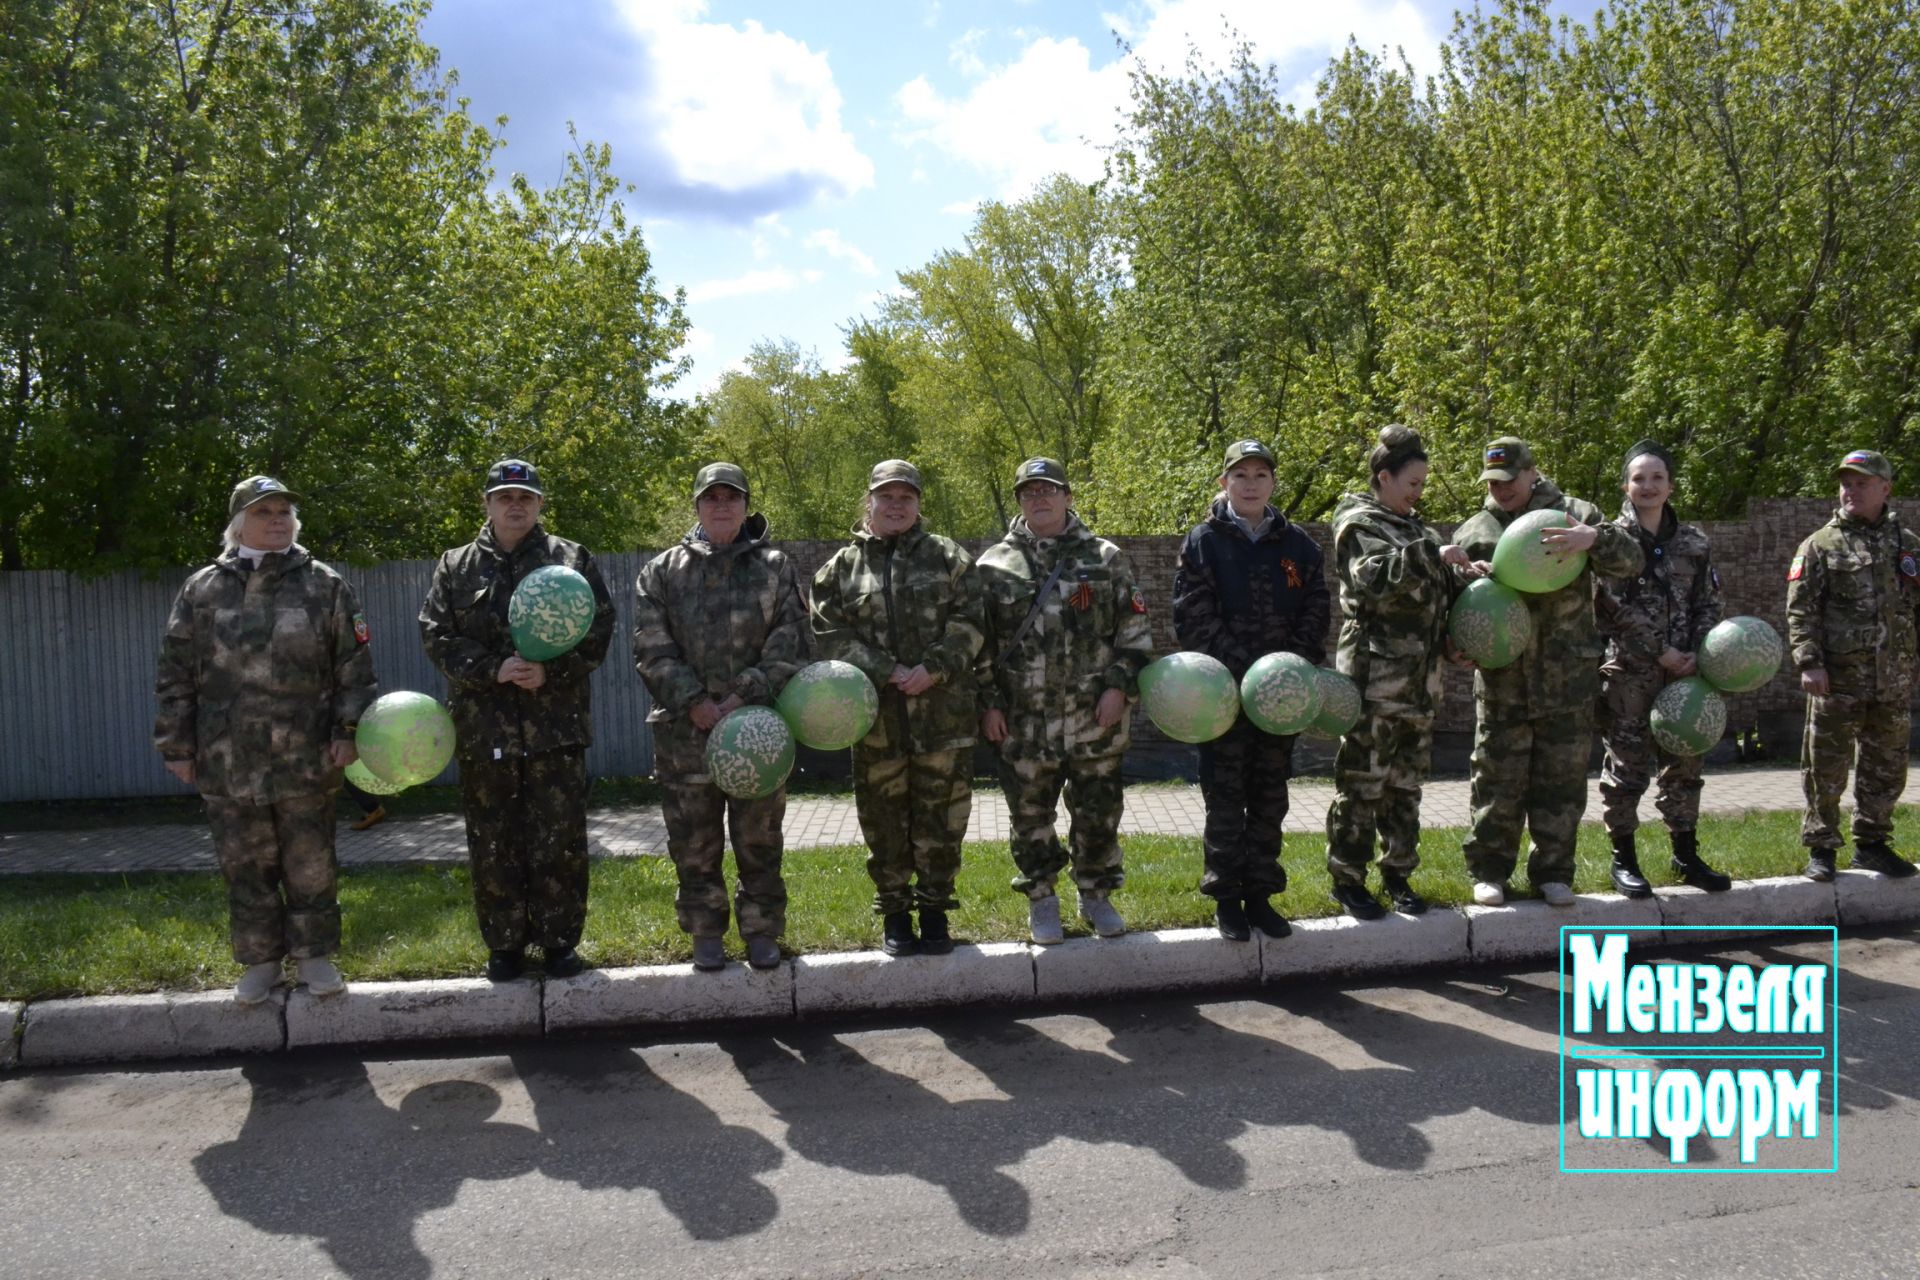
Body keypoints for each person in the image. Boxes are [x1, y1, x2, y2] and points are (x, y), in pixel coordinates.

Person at [153, 476, 377, 1003]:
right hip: (227, 758)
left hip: (306, 757)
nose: (278, 519)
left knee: (311, 861)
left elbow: (355, 667)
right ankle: (260, 962)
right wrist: (177, 745)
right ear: (239, 524)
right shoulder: (203, 588)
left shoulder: (324, 584)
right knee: (245, 864)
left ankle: (315, 957)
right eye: (264, 512)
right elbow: (175, 670)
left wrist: (348, 732)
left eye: (284, 511)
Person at [419, 459, 615, 982]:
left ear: (539, 504)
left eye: (525, 497)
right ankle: (503, 944)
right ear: (487, 504)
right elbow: (436, 634)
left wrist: (552, 671)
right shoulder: (457, 565)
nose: (515, 505)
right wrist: (492, 670)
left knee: (562, 841)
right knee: (493, 842)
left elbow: (599, 631)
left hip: (556, 729)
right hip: (487, 733)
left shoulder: (570, 559)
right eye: (504, 496)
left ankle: (559, 942)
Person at [633, 463, 809, 971]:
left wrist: (742, 697)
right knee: (693, 840)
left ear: (746, 505)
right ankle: (705, 929)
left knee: (759, 838)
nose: (722, 506)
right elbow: (651, 646)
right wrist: (695, 702)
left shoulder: (775, 566)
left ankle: (761, 929)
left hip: (756, 727)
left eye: (732, 498)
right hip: (686, 733)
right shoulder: (662, 571)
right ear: (697, 506)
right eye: (712, 498)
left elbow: (790, 642)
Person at [1453, 437, 1640, 906]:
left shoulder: (1576, 514)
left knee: (1562, 778)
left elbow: (1632, 560)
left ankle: (1554, 870)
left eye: (1509, 479)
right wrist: (1457, 637)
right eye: (1492, 482)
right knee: (1497, 776)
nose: (1501, 490)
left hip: (1566, 677)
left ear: (1532, 471)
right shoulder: (1476, 528)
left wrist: (1593, 539)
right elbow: (1454, 605)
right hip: (1503, 679)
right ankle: (1490, 870)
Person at [975, 457, 1154, 945]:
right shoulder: (993, 565)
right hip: (1024, 722)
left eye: (1049, 489)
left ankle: (1096, 895)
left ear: (1068, 497)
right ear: (1019, 501)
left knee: (1098, 812)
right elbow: (980, 645)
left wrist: (1119, 687)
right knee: (1029, 817)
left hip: (1094, 718)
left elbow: (1134, 631)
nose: (1040, 498)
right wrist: (989, 703)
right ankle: (1042, 898)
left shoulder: (1106, 557)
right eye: (1029, 491)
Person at [811, 460, 985, 957]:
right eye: (886, 497)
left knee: (943, 820)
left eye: (905, 497)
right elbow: (828, 633)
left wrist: (933, 668)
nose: (895, 506)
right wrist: (887, 669)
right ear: (869, 501)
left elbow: (971, 621)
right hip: (876, 723)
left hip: (942, 717)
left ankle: (934, 910)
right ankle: (893, 912)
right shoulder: (840, 569)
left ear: (918, 504)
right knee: (884, 822)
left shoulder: (949, 557)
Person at [1173, 439, 1330, 941]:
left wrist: (1289, 669)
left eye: (1261, 475)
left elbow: (1316, 608)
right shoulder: (1203, 542)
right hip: (1223, 697)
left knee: (1269, 797)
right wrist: (1246, 670)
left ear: (1272, 484)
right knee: (1224, 797)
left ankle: (1260, 895)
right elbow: (1193, 616)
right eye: (1241, 475)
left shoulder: (1299, 545)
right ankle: (1226, 900)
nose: (1250, 484)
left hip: (1280, 700)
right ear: (1224, 483)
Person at [1324, 426, 1478, 920]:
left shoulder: (1417, 528)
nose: (1418, 491)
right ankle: (1348, 879)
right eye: (1411, 482)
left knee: (1406, 784)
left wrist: (1463, 595)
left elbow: (1437, 596)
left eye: (1422, 483)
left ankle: (1399, 874)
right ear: (1383, 478)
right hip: (1375, 679)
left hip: (1420, 683)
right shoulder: (1357, 521)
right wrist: (1432, 555)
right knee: (1363, 781)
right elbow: (1372, 579)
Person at [1595, 440, 1732, 896]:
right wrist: (1659, 651)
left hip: (1686, 673)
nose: (1648, 486)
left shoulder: (1693, 542)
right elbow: (1609, 605)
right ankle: (1624, 860)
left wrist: (1697, 653)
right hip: (1631, 673)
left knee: (1685, 764)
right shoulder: (1612, 541)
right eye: (1639, 478)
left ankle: (1686, 854)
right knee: (1626, 766)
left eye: (1657, 478)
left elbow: (1708, 602)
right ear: (1625, 486)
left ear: (1670, 486)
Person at [1786, 448, 1920, 881]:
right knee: (1825, 764)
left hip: (1892, 680)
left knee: (1887, 764)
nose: (1851, 490)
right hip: (1837, 681)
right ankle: (1821, 846)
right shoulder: (1820, 545)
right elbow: (1801, 610)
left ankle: (1873, 843)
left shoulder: (1909, 545)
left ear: (1885, 488)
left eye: (1861, 483)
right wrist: (1809, 662)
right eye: (1846, 482)